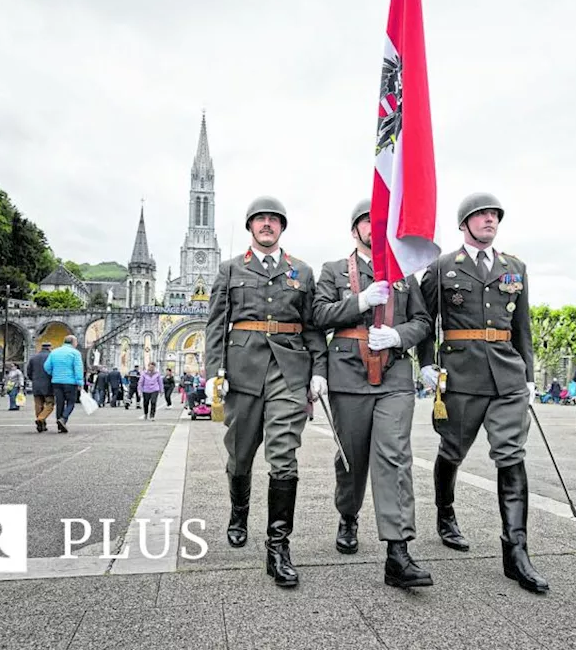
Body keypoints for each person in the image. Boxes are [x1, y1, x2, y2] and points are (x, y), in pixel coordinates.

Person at [416, 193, 549, 594]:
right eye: (482, 215)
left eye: (494, 215)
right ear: (465, 224)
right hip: (461, 372)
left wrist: (527, 372)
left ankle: (516, 552)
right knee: (452, 449)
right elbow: (426, 319)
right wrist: (425, 362)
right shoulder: (442, 267)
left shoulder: (515, 267)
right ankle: (445, 514)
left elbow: (522, 324)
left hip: (507, 374)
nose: (490, 220)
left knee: (511, 455)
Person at [205, 195, 327, 588]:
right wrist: (212, 372)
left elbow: (312, 327)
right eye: (260, 219)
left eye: (274, 220)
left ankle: (278, 547)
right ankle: (238, 511)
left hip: (289, 372)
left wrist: (318, 370)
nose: (267, 224)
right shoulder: (229, 270)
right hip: (242, 372)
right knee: (239, 456)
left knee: (284, 455)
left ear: (282, 227)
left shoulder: (302, 273)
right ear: (250, 226)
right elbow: (215, 325)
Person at [312, 199, 434, 588]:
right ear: (355, 230)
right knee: (352, 459)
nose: (372, 226)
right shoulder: (333, 270)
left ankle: (398, 551)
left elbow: (423, 321)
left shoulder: (403, 274)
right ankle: (348, 514)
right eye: (366, 221)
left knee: (395, 456)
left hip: (395, 374)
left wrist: (399, 335)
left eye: (379, 222)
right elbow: (318, 315)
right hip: (348, 374)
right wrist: (360, 302)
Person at [44, 335, 85, 433]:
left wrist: (53, 373)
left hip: (56, 381)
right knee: (71, 402)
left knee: (60, 403)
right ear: (73, 342)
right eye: (76, 342)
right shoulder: (75, 353)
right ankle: (63, 419)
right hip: (70, 382)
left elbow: (46, 366)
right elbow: (78, 368)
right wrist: (80, 382)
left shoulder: (54, 352)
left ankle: (59, 426)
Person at [26, 342, 56, 432]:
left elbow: (28, 372)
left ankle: (42, 425)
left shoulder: (33, 358)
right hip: (48, 384)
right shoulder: (52, 357)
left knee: (38, 405)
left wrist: (34, 380)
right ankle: (41, 418)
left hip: (36, 385)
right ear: (50, 348)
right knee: (50, 404)